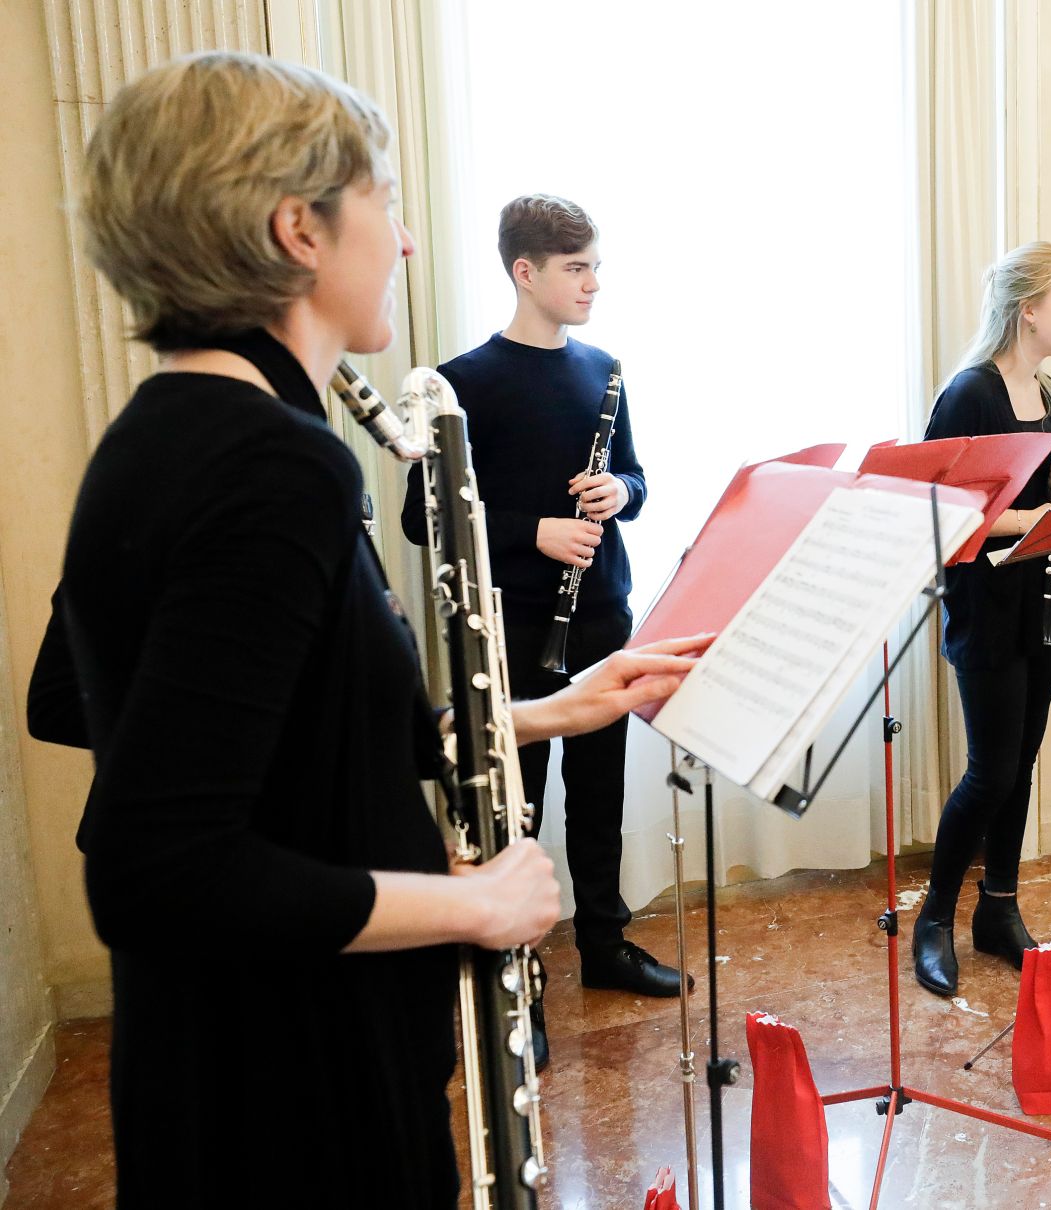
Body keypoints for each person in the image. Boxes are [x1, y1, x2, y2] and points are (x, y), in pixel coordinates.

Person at [25, 52, 707, 1208]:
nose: (399, 240)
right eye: (382, 201)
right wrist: (477, 901)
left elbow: (300, 732)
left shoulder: (178, 428)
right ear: (299, 228)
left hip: (246, 1057)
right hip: (288, 1085)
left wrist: (555, 705)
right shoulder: (266, 463)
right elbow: (159, 873)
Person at [400, 195, 685, 1002]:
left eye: (596, 265)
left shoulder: (604, 371)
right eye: (576, 268)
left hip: (601, 613)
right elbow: (423, 517)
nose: (593, 283)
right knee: (514, 807)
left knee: (600, 795)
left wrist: (616, 494)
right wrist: (535, 532)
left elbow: (636, 476)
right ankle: (513, 973)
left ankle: (605, 945)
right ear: (525, 273)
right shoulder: (462, 384)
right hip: (512, 626)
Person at [912, 242, 1051, 998]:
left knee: (1022, 764)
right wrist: (1038, 514)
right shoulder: (968, 395)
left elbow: (1030, 494)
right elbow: (948, 521)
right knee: (990, 770)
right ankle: (934, 917)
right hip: (987, 605)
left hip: (1041, 597)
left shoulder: (1046, 393)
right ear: (1030, 310)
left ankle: (1000, 909)